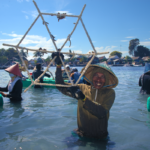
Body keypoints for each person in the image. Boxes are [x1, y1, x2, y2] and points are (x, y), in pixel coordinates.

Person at [52, 52, 118, 139]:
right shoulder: (82, 88)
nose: (98, 79)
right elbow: (60, 86)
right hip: (81, 133)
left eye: (102, 77)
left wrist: (83, 98)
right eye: (96, 75)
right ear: (91, 77)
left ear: (106, 80)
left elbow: (102, 112)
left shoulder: (110, 93)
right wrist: (59, 65)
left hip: (100, 136)